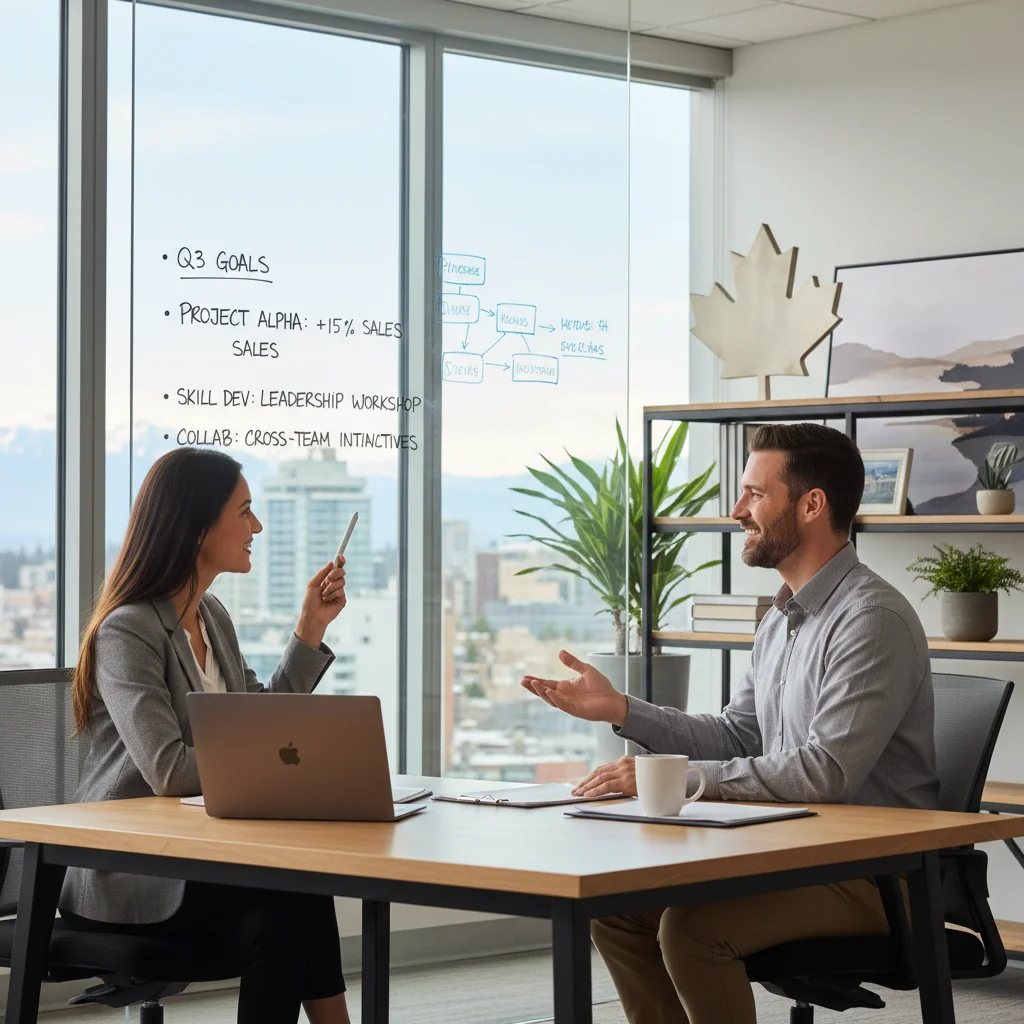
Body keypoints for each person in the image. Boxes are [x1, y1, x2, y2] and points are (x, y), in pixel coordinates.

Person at [520, 423, 939, 1024]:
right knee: (617, 912)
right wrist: (623, 711)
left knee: (693, 930)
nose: (737, 510)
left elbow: (826, 773)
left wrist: (676, 779)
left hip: (872, 877)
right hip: (794, 854)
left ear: (812, 504)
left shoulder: (871, 621)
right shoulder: (779, 619)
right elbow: (739, 736)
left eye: (754, 495)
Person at [61, 447, 352, 1024]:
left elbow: (259, 723)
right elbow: (168, 770)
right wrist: (276, 770)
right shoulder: (128, 630)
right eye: (245, 512)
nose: (257, 527)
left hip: (200, 862)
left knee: (293, 902)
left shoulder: (211, 617)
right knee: (290, 902)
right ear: (197, 527)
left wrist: (309, 629)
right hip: (131, 875)